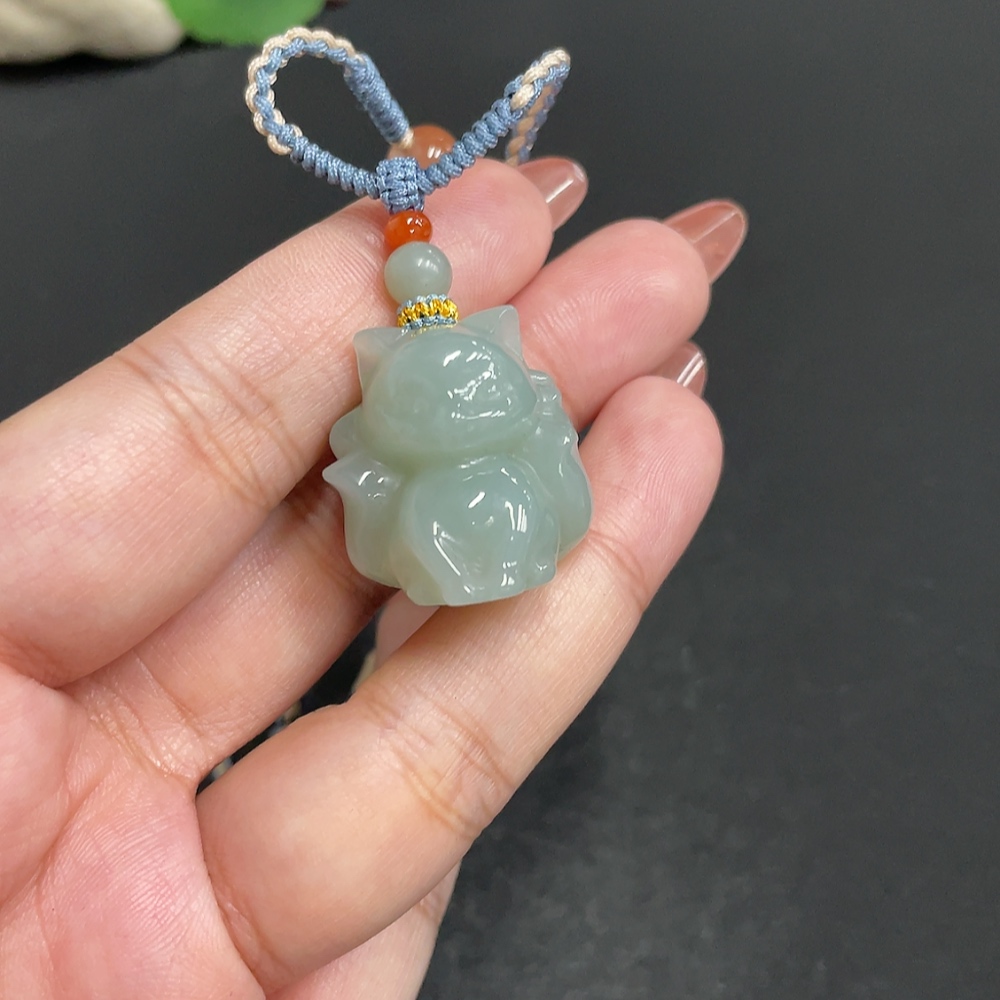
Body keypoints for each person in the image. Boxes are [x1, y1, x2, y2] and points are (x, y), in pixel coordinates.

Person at [0, 154, 744, 998]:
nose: (462, 409)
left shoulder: (505, 431)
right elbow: (386, 513)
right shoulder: (403, 455)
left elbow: (538, 488)